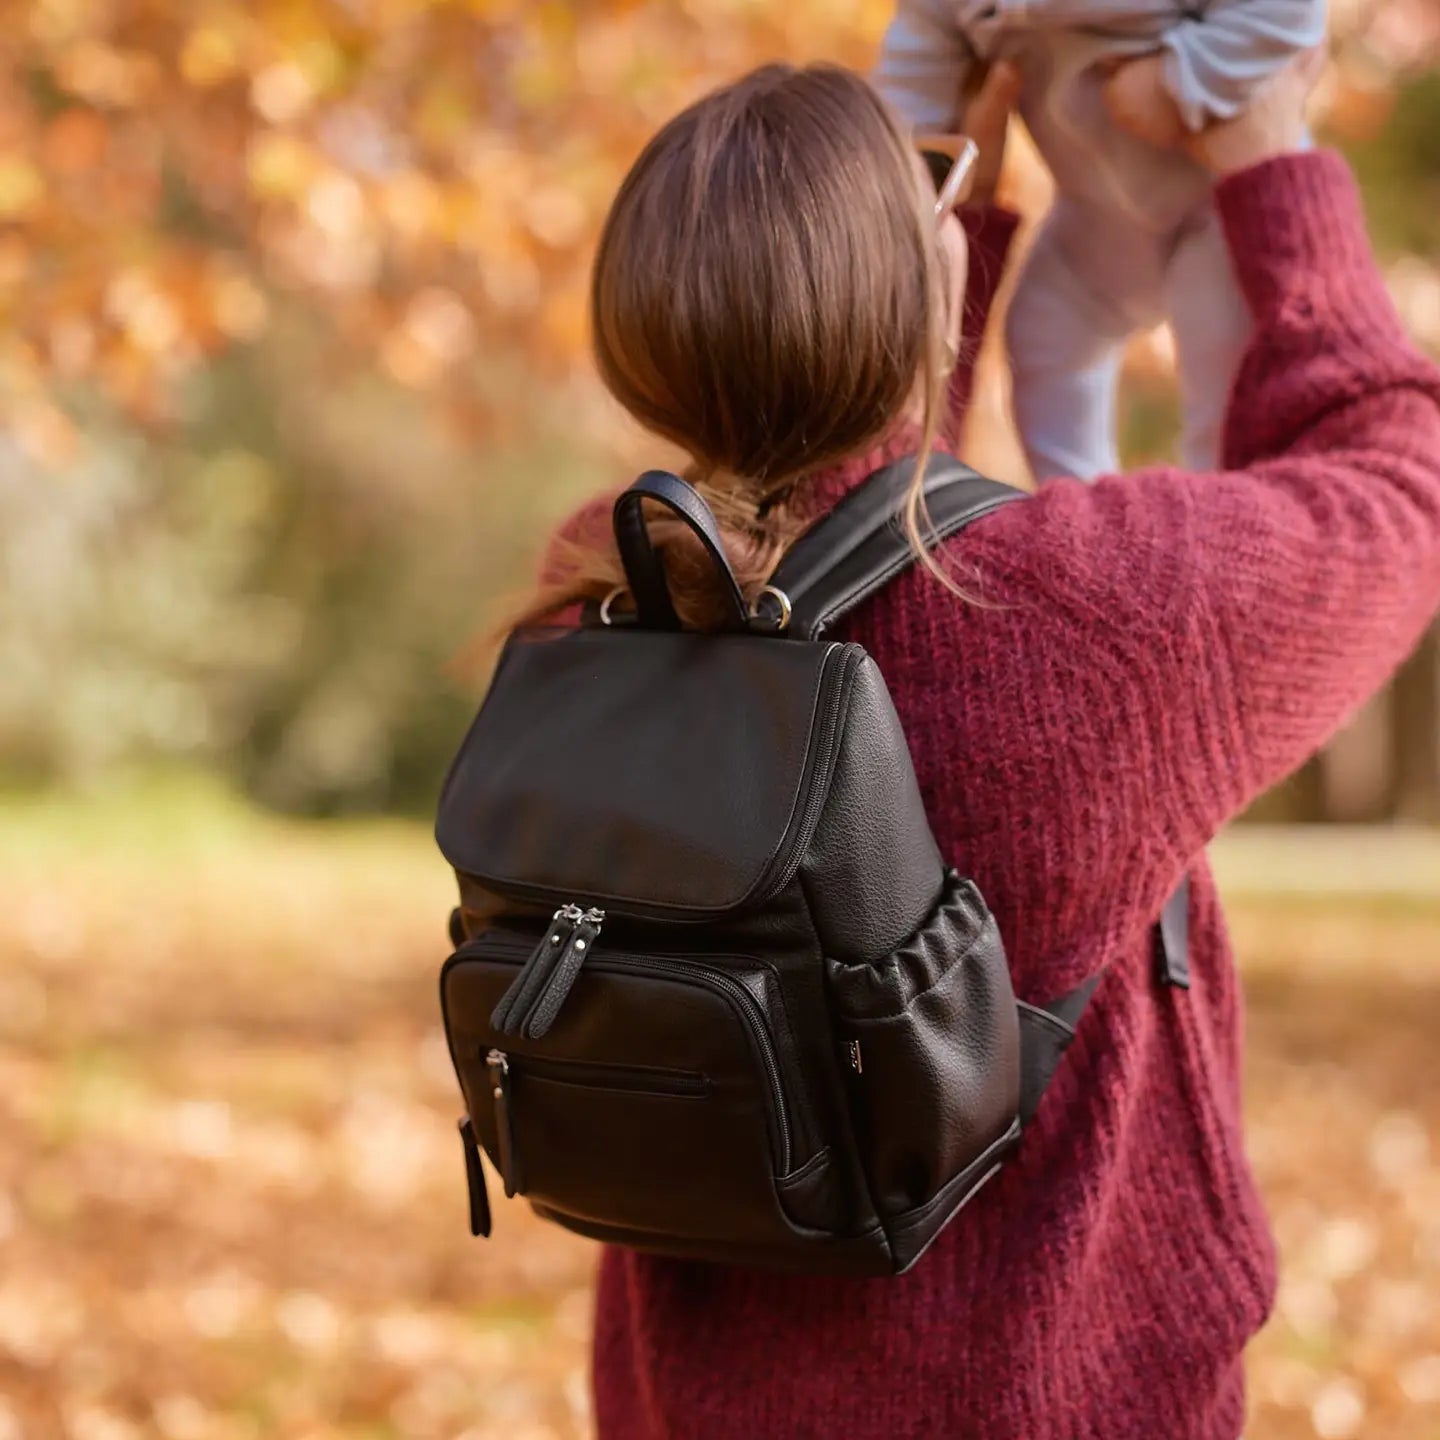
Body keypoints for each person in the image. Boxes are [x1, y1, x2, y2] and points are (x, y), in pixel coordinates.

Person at [517, 51, 1440, 1440]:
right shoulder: (1099, 616)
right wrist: (1275, 159)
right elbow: (1397, 486)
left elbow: (851, 558)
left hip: (689, 1402)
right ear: (916, 284)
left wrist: (929, 255)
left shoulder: (598, 597)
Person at [874, 0, 1327, 482]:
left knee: (1225, 359)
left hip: (1215, 211)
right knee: (1041, 328)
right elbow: (913, 71)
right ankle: (1081, 505)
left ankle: (1223, 505)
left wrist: (1179, 81)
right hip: (1093, 218)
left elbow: (1287, 11)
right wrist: (901, 168)